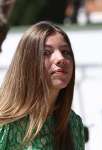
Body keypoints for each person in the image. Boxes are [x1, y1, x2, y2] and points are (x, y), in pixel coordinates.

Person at [0, 21, 85, 149]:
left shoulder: (74, 124)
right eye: (46, 52)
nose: (60, 58)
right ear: (28, 62)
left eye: (66, 52)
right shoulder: (5, 123)